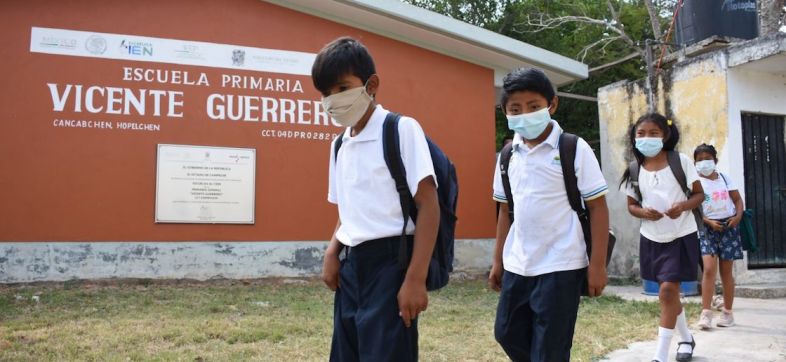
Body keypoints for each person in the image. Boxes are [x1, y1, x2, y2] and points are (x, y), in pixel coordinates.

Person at [313, 37, 440, 362]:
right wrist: (332, 251)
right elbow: (348, 209)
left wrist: (415, 278)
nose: (332, 100)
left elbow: (428, 205)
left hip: (392, 263)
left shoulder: (400, 129)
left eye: (342, 88)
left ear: (371, 85)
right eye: (326, 93)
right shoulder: (339, 145)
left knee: (386, 354)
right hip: (352, 265)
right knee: (347, 352)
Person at [489, 67, 610, 362]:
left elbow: (598, 207)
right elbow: (506, 211)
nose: (525, 115)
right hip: (519, 263)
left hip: (561, 264)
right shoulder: (507, 156)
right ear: (504, 111)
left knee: (551, 349)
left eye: (533, 107)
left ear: (551, 105)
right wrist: (497, 261)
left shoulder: (573, 148)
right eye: (515, 109)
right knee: (506, 332)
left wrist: (597, 266)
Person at [620, 113, 704, 362]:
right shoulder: (634, 169)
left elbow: (699, 195)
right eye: (641, 133)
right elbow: (631, 206)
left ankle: (660, 357)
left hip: (681, 235)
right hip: (651, 237)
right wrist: (643, 212)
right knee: (668, 295)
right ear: (634, 138)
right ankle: (687, 338)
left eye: (653, 133)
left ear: (665, 136)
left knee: (668, 290)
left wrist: (684, 206)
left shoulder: (681, 161)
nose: (647, 138)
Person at [693, 143, 744, 329]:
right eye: (699, 160)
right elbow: (695, 209)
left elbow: (737, 200)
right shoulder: (696, 183)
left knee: (726, 273)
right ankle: (706, 313)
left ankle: (728, 313)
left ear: (715, 161)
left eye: (708, 159)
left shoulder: (725, 178)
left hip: (728, 227)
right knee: (708, 270)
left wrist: (738, 217)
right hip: (708, 229)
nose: (704, 163)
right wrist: (707, 221)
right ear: (695, 163)